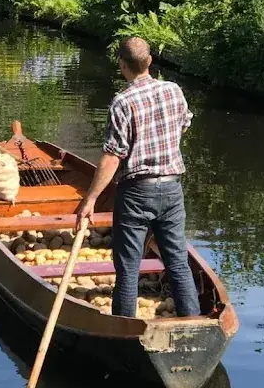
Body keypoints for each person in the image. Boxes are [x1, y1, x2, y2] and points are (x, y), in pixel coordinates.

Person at [75, 36, 200, 318]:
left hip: (136, 193)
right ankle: (192, 321)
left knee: (129, 268)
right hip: (171, 188)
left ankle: (124, 329)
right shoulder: (174, 91)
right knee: (178, 262)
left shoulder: (122, 102)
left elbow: (112, 155)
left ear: (122, 65)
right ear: (150, 62)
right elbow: (183, 125)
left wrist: (90, 199)